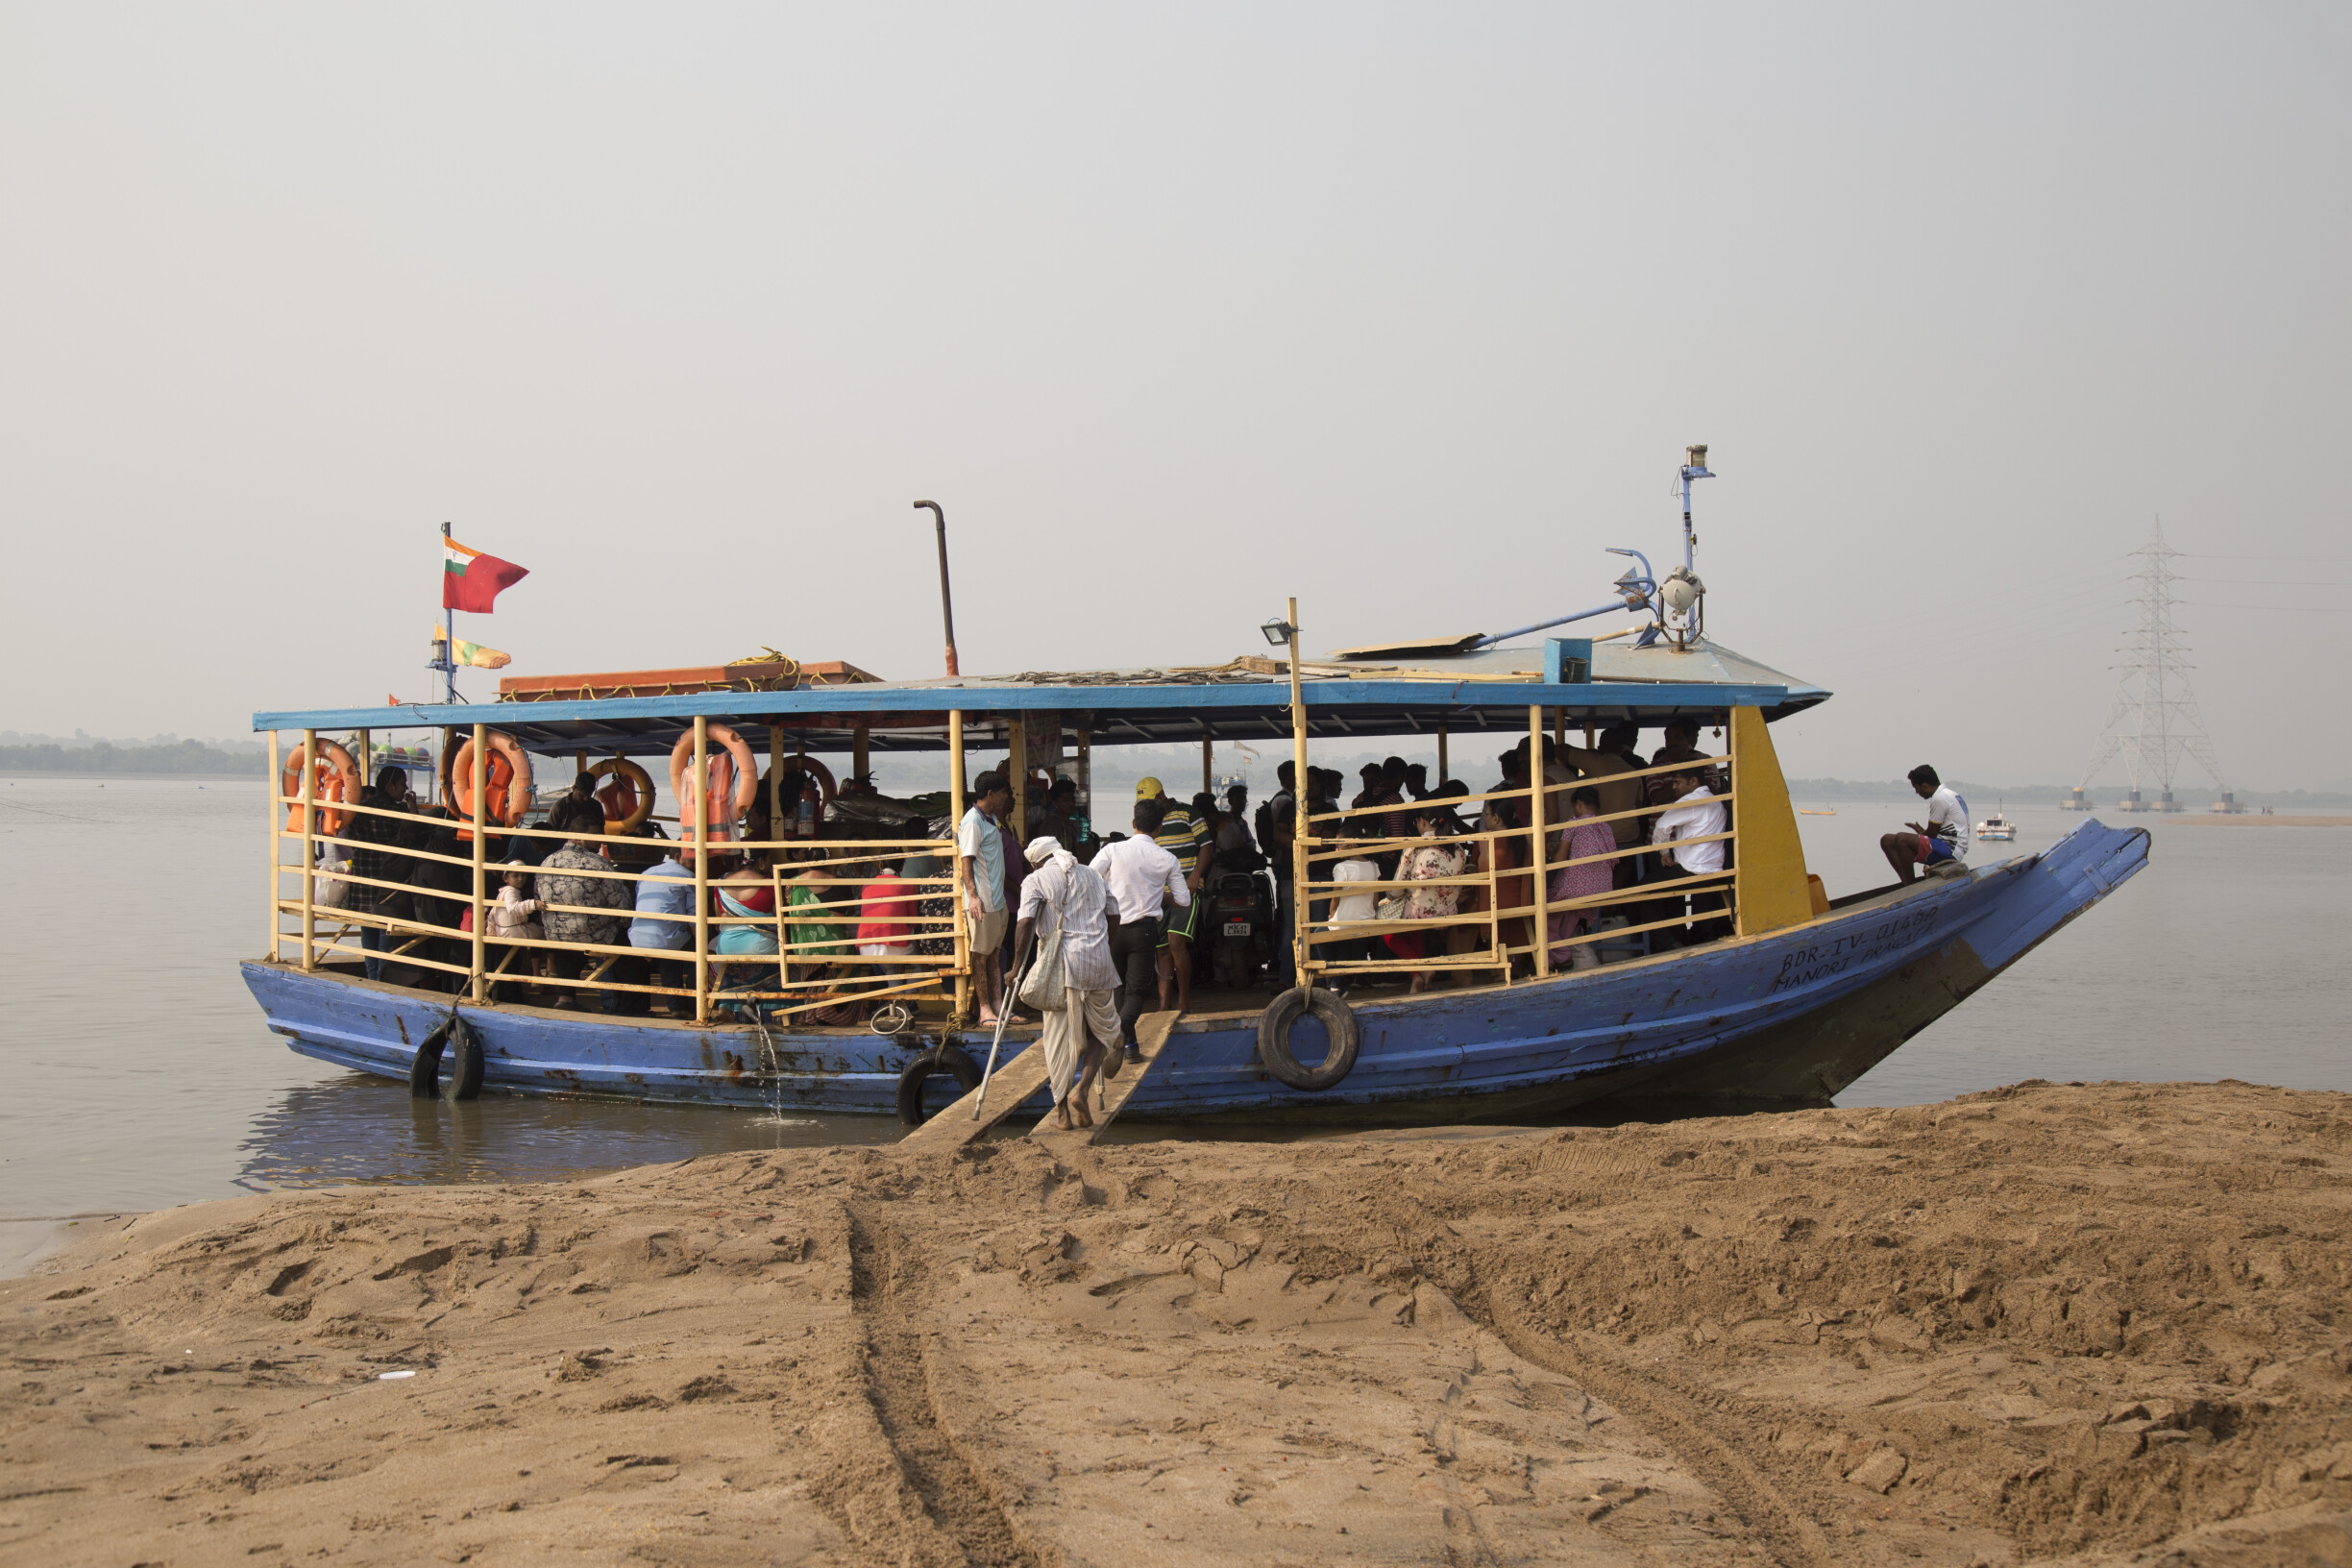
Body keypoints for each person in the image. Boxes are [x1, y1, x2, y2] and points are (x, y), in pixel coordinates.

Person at [1017, 836, 1123, 1128]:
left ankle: (1063, 1113)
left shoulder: (1036, 879)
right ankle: (1083, 1091)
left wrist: (1015, 968)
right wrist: (1103, 945)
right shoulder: (1092, 874)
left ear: (1037, 861)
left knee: (1057, 1038)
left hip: (1062, 967)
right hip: (1099, 961)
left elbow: (1025, 922)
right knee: (1105, 1030)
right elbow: (1114, 914)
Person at [1090, 796, 1187, 1059]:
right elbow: (1183, 899)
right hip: (1143, 931)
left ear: (1133, 823)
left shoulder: (1112, 850)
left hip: (1112, 929)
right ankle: (1120, 1033)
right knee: (1136, 991)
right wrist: (1161, 895)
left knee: (1119, 988)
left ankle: (1130, 1049)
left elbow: (1089, 878)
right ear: (1159, 828)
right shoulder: (1167, 858)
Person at [535, 795, 633, 1010]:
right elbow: (622, 903)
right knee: (628, 944)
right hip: (592, 932)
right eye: (595, 836)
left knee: (566, 944)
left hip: (556, 932)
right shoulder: (597, 863)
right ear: (578, 838)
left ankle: (565, 998)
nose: (599, 840)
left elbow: (537, 895)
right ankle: (621, 1004)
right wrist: (626, 924)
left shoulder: (548, 861)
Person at [1142, 778, 1215, 1014]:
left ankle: (1184, 1002)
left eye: (1150, 801)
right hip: (1159, 894)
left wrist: (1196, 875)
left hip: (1186, 889)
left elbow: (1207, 846)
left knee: (1176, 942)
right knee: (1162, 949)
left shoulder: (1188, 813)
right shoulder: (1150, 821)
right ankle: (1164, 1005)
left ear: (1161, 796)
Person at [341, 765, 418, 981]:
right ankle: (381, 977)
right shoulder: (397, 812)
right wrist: (412, 808)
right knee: (386, 925)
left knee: (367, 924)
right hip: (386, 875)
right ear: (389, 785)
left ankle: (371, 974)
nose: (405, 788)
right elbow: (413, 834)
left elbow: (351, 836)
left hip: (362, 872)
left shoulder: (361, 808)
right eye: (401, 784)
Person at [1388, 802, 1471, 992]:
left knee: (1386, 930)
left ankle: (1420, 970)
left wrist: (1389, 897)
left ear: (1423, 822)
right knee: (1414, 926)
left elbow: (1396, 889)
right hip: (1449, 913)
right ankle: (1417, 978)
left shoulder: (1415, 847)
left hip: (1419, 913)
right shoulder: (1458, 848)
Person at [1651, 769, 1730, 946]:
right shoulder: (1716, 801)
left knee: (1643, 891)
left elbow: (1662, 826)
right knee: (1703, 912)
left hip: (1692, 869)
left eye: (1678, 782)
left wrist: (1664, 853)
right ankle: (1697, 939)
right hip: (1714, 870)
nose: (1674, 787)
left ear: (1693, 781)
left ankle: (1667, 943)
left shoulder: (1692, 801)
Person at [958, 772, 1013, 1025]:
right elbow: (966, 860)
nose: (1006, 797)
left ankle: (998, 1005)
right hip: (984, 902)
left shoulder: (990, 818)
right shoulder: (972, 821)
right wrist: (973, 896)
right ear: (990, 794)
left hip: (997, 901)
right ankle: (984, 1009)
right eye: (1003, 792)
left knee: (994, 953)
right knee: (980, 956)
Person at [1548, 787, 1619, 970]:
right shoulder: (1605, 825)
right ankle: (1560, 957)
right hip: (1602, 887)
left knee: (1543, 911)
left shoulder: (1573, 823)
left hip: (1576, 888)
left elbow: (1559, 860)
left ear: (1578, 804)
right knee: (1568, 917)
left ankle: (1560, 957)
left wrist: (1550, 850)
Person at [625, 840, 698, 1015]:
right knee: (695, 958)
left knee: (670, 956)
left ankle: (676, 1007)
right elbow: (694, 918)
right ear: (678, 857)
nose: (697, 864)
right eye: (693, 860)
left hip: (638, 936)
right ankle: (694, 1005)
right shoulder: (688, 877)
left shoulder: (647, 873)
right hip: (665, 937)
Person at [1881, 765, 1971, 883]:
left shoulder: (1939, 798)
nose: (1917, 792)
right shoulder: (1949, 794)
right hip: (1945, 845)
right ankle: (1905, 882)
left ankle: (1910, 885)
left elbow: (1931, 834)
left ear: (1924, 786)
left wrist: (1919, 834)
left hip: (1951, 850)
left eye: (1916, 788)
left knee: (1902, 839)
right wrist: (1920, 834)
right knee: (1887, 840)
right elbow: (1932, 833)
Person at [1322, 818, 1384, 988]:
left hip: (1345, 921)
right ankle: (1358, 978)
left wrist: (1331, 915)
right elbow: (1375, 900)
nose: (1336, 849)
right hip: (1366, 919)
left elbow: (1335, 898)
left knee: (1319, 936)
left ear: (1352, 845)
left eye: (1338, 845)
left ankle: (1333, 981)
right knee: (1356, 943)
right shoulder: (1374, 866)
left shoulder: (1342, 867)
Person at [1260, 761, 1300, 988]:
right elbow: (1279, 834)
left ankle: (1285, 970)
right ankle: (1284, 968)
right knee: (1288, 920)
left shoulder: (1282, 799)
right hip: (1285, 862)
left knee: (1287, 919)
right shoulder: (1285, 802)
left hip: (1282, 862)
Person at [484, 854, 546, 1001]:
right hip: (513, 931)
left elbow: (492, 914)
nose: (520, 879)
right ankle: (543, 973)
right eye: (515, 876)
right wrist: (533, 904)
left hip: (505, 931)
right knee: (545, 933)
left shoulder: (503, 892)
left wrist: (491, 931)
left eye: (523, 875)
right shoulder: (511, 891)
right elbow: (513, 908)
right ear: (506, 878)